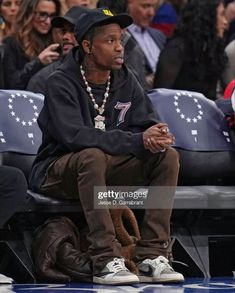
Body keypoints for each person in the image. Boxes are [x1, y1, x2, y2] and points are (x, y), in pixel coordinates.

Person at [29, 8, 184, 285]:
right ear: (87, 46)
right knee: (91, 155)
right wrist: (137, 140)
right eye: (110, 41)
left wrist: (156, 135)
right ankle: (105, 259)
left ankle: (151, 254)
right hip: (56, 172)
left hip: (104, 179)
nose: (118, 48)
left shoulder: (126, 79)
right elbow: (75, 137)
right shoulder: (60, 82)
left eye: (120, 40)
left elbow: (145, 125)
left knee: (166, 157)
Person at [153, 0, 228, 101]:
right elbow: (159, 96)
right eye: (222, 15)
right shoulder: (177, 49)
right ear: (207, 18)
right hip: (177, 112)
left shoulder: (210, 50)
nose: (225, 22)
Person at [2, 0, 61, 90]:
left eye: (52, 16)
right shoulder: (11, 43)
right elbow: (12, 84)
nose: (48, 21)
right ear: (28, 13)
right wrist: (39, 62)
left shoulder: (58, 41)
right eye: (42, 15)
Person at [27, 5, 86, 94]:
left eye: (73, 30)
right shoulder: (43, 79)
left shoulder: (109, 73)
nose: (65, 37)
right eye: (63, 31)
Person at [96, 0, 148, 89]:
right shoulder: (89, 40)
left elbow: (141, 92)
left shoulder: (131, 48)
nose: (119, 48)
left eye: (120, 25)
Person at [127, 0, 166, 89]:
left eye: (154, 7)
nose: (151, 13)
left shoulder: (159, 35)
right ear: (129, 4)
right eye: (145, 6)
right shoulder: (121, 38)